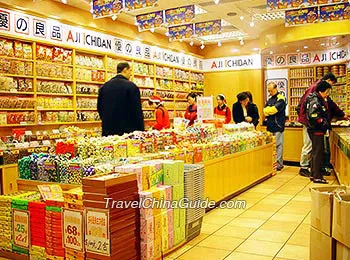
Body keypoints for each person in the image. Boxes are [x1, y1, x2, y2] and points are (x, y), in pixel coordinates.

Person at [297, 72, 346, 177]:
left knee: (317, 147)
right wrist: (323, 122)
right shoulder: (315, 90)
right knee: (309, 145)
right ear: (327, 80)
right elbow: (310, 110)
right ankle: (304, 167)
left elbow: (330, 104)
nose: (329, 92)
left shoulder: (320, 90)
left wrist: (341, 114)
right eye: (330, 86)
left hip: (312, 123)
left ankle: (316, 169)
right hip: (310, 123)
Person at [97, 62, 144, 136]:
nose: (131, 73)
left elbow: (99, 108)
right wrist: (140, 130)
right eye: (130, 70)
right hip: (127, 131)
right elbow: (137, 110)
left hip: (108, 130)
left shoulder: (104, 86)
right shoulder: (131, 86)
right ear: (125, 70)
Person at [305, 81, 332, 184]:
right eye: (327, 91)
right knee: (318, 152)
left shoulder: (315, 98)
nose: (327, 94)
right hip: (316, 129)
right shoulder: (315, 100)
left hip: (315, 129)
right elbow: (313, 116)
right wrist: (323, 122)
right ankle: (317, 176)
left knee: (315, 152)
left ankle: (314, 174)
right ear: (321, 91)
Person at [263, 82, 286, 171]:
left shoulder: (281, 98)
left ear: (275, 89)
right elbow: (264, 111)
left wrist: (269, 110)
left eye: (271, 90)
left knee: (278, 145)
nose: (269, 92)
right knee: (270, 145)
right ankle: (272, 163)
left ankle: (279, 163)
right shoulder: (270, 99)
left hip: (278, 125)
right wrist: (269, 110)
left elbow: (274, 110)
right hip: (270, 125)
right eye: (268, 90)